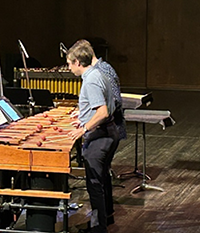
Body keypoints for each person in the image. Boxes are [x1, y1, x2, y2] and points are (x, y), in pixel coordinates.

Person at [66, 39, 120, 233]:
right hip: (109, 132)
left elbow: (103, 112)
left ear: (78, 63)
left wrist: (83, 128)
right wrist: (82, 112)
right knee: (102, 178)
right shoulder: (99, 72)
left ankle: (98, 229)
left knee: (95, 184)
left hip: (100, 136)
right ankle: (106, 218)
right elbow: (103, 102)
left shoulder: (90, 81)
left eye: (69, 63)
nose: (69, 67)